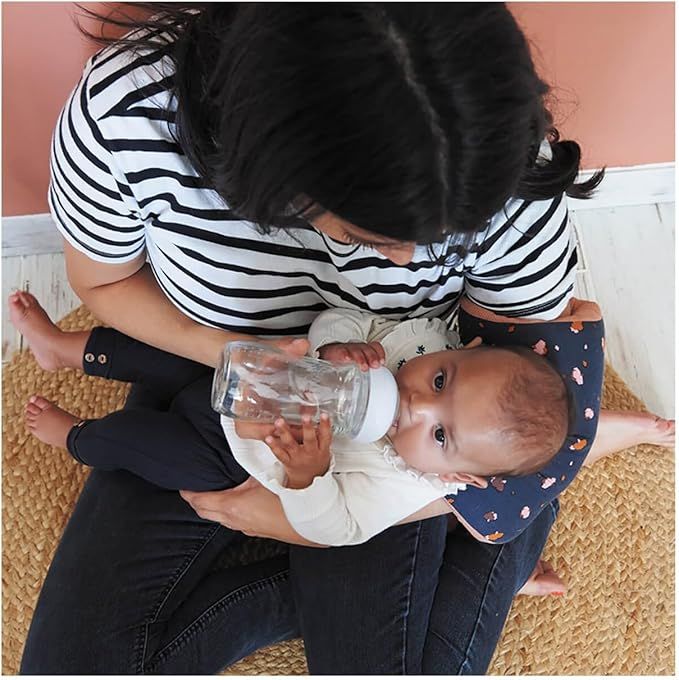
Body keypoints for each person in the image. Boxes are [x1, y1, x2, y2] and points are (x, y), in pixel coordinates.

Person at [15, 4, 626, 673]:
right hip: (216, 377)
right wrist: (231, 356)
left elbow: (545, 383)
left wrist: (328, 519)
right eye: (372, 236)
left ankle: (484, 535)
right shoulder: (127, 115)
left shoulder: (495, 158)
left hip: (391, 454)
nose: (407, 262)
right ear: (273, 173)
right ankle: (481, 547)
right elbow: (102, 283)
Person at [12, 294, 673, 548]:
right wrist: (339, 346)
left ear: (463, 479)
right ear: (460, 347)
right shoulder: (414, 339)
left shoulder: (404, 484)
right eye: (440, 381)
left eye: (440, 435)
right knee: (171, 351)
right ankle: (63, 349)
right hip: (269, 372)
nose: (415, 403)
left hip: (235, 449)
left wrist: (309, 475)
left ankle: (80, 436)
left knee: (153, 449)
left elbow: (339, 528)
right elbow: (344, 317)